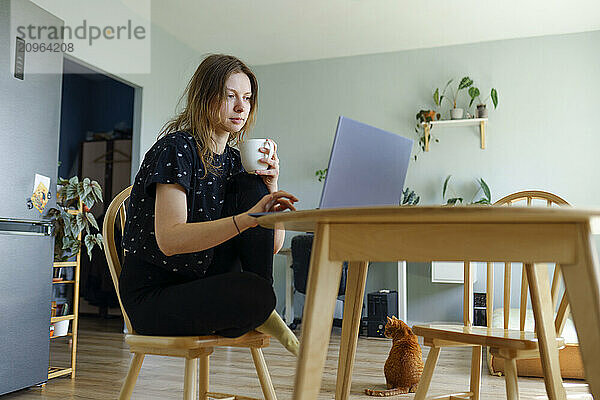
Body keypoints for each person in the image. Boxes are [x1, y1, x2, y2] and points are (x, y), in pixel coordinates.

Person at [119, 54, 300, 356]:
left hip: (202, 283)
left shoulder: (235, 161)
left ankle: (259, 307)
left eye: (247, 98)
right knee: (255, 296)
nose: (242, 107)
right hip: (155, 294)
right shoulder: (176, 149)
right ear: (205, 97)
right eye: (230, 96)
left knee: (252, 185)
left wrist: (271, 187)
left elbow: (271, 246)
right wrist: (247, 219)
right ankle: (258, 310)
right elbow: (170, 240)